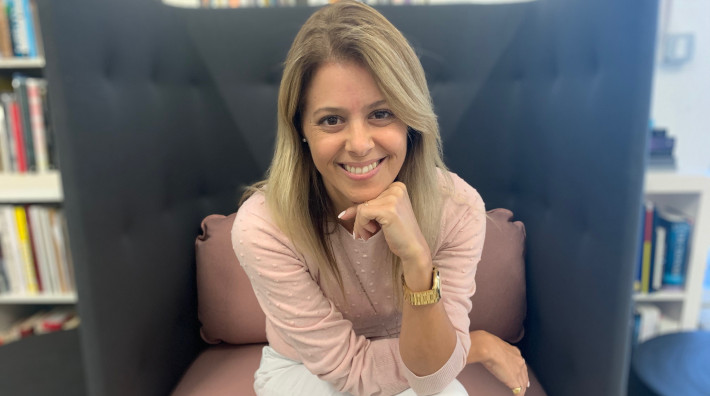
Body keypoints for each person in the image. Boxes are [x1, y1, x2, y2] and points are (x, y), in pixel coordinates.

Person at [232, 1, 529, 395]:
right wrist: (471, 348)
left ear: (411, 118)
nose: (359, 145)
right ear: (300, 128)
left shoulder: (457, 207)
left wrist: (417, 260)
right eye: (331, 120)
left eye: (382, 113)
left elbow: (433, 378)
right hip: (305, 368)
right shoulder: (263, 226)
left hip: (416, 354)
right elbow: (353, 372)